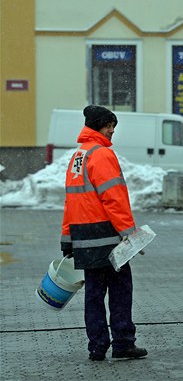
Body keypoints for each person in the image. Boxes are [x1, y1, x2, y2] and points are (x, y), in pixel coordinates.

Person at [60, 105, 147, 361]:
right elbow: (114, 200)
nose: (111, 131)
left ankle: (97, 346)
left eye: (113, 126)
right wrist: (131, 234)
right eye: (109, 126)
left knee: (94, 295)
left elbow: (71, 202)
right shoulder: (102, 155)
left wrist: (67, 239)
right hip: (108, 239)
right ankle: (123, 343)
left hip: (85, 238)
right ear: (97, 125)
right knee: (121, 290)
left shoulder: (78, 157)